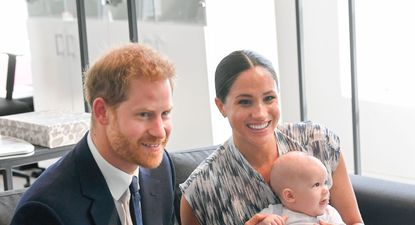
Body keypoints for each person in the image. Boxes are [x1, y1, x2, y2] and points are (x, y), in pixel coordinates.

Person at [179, 50, 364, 225]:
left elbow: (355, 222)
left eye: (269, 98)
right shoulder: (201, 191)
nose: (260, 113)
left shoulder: (319, 142)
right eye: (245, 102)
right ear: (221, 107)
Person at [10, 43, 177, 225]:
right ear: (102, 112)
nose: (159, 132)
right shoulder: (44, 211)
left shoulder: (160, 169)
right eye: (144, 115)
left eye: (165, 113)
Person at [258, 151, 345, 225]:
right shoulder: (275, 213)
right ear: (290, 196)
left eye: (325, 183)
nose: (326, 190)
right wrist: (264, 223)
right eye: (317, 184)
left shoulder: (330, 214)